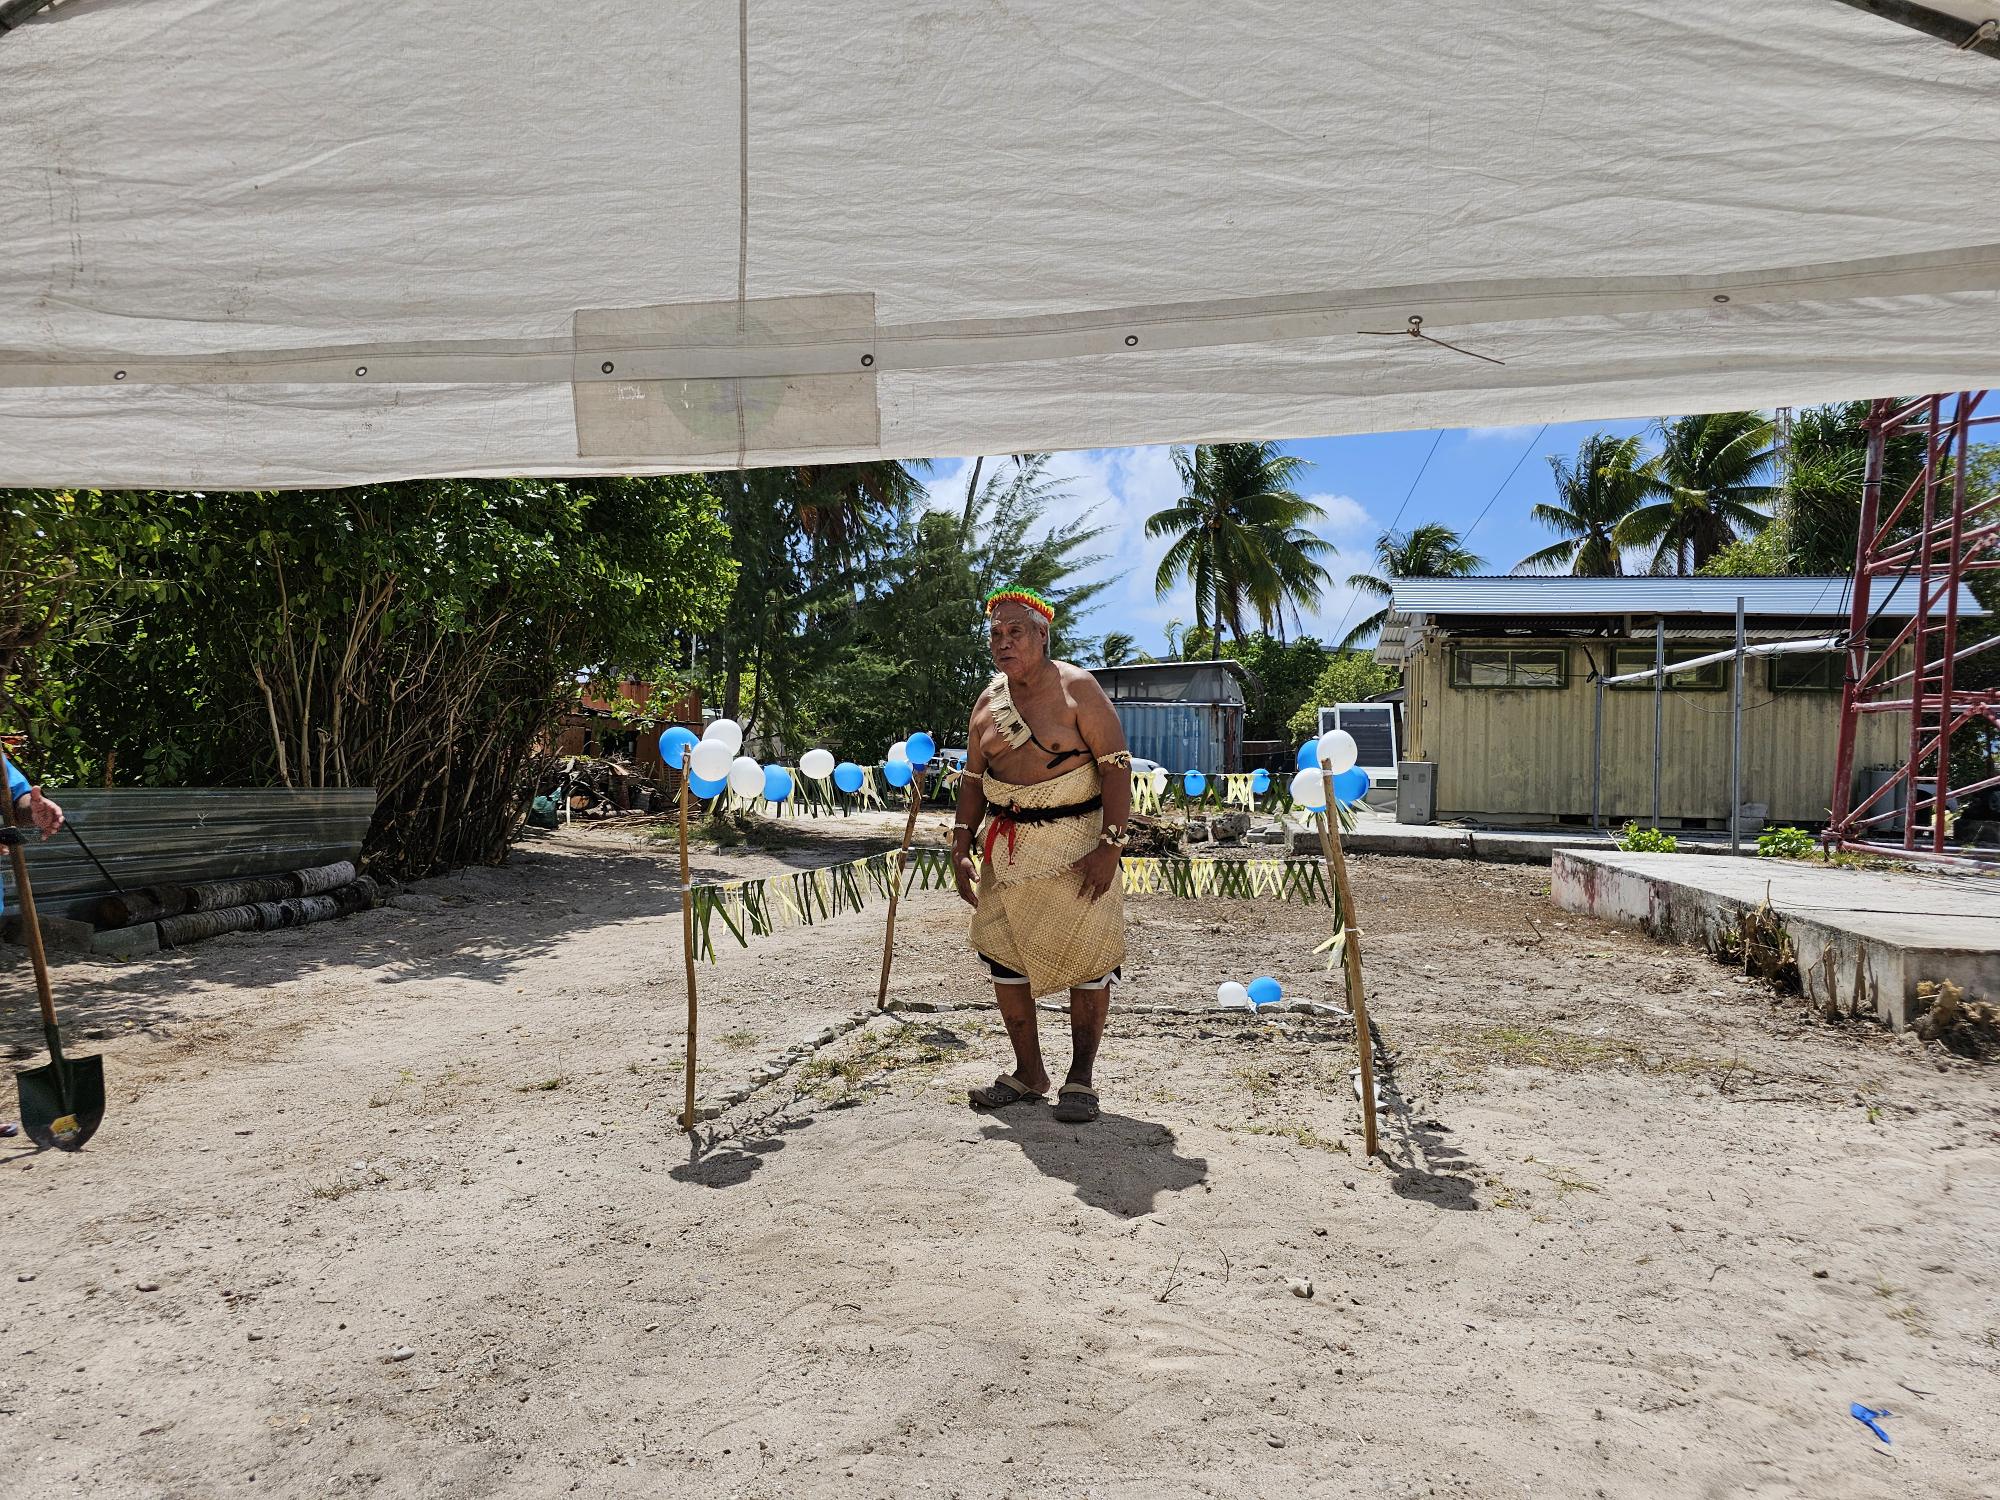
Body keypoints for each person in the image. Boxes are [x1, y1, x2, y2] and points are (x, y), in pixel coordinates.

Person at [952, 587, 1132, 1125]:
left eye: (1015, 632)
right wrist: (961, 843)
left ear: (1042, 635)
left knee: (1089, 961)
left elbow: (1117, 767)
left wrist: (1110, 846)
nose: (1003, 643)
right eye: (995, 634)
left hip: (1078, 845)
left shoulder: (1079, 688)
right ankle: (1029, 1072)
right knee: (1006, 961)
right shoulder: (988, 702)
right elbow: (972, 779)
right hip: (1006, 855)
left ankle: (1081, 1078)